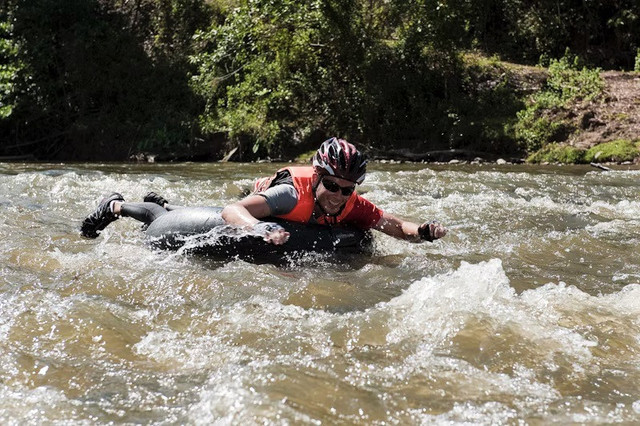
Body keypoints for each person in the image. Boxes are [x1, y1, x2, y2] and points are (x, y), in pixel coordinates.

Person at [80, 138, 447, 244]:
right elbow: (231, 211)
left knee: (179, 209)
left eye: (347, 189)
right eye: (332, 185)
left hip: (275, 217)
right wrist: (258, 228)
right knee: (166, 219)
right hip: (257, 200)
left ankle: (164, 202)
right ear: (318, 176)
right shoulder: (290, 195)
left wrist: (425, 232)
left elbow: (391, 223)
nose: (338, 195)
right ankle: (115, 205)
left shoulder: (351, 203)